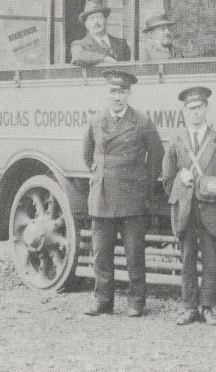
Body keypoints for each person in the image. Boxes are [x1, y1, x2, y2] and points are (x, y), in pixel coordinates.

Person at [82, 69, 164, 317]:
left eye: (122, 92)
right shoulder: (96, 121)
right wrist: (99, 173)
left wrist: (143, 183)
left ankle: (136, 302)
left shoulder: (142, 122)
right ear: (107, 93)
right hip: (102, 197)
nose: (117, 97)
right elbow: (87, 155)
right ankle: (102, 300)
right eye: (113, 91)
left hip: (132, 198)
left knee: (134, 254)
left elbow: (157, 155)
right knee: (101, 255)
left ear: (129, 94)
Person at [162, 86, 216, 325]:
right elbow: (166, 178)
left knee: (210, 260)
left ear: (206, 108)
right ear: (184, 111)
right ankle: (188, 307)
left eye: (199, 108)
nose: (195, 113)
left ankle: (208, 307)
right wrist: (180, 180)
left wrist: (213, 193)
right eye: (190, 109)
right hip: (186, 210)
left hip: (211, 210)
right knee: (186, 259)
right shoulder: (176, 142)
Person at [71, 0, 131, 67]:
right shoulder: (80, 44)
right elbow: (77, 56)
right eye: (92, 18)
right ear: (86, 24)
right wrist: (104, 58)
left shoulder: (121, 43)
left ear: (105, 20)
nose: (96, 22)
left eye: (99, 17)